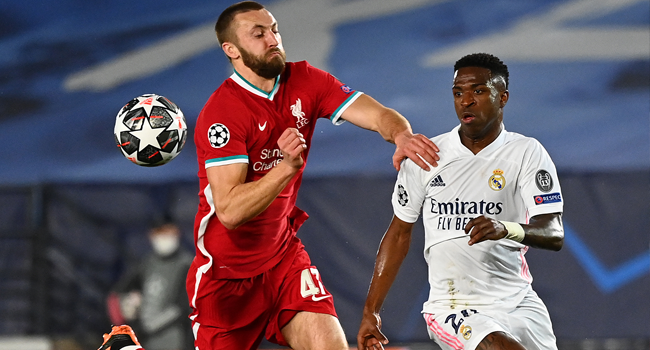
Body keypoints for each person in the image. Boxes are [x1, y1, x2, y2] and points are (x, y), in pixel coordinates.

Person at [186, 1, 440, 349]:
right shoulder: (223, 112)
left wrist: (402, 135)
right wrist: (285, 169)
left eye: (273, 29)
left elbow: (378, 114)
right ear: (231, 49)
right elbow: (230, 212)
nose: (272, 38)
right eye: (258, 34)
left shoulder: (305, 79)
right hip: (225, 277)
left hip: (282, 259)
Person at [357, 53, 564, 350]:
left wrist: (505, 228)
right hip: (453, 305)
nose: (465, 101)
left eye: (478, 91)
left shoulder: (526, 152)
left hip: (518, 302)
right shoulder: (426, 156)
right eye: (458, 93)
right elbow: (399, 233)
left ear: (502, 97)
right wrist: (371, 312)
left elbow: (553, 233)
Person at [106, 220, 193, 350]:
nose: (164, 237)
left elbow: (182, 308)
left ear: (177, 232)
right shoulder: (146, 264)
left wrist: (147, 327)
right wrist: (125, 318)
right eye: (159, 232)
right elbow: (116, 296)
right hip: (147, 341)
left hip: (178, 340)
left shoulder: (187, 265)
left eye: (168, 231)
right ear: (151, 235)